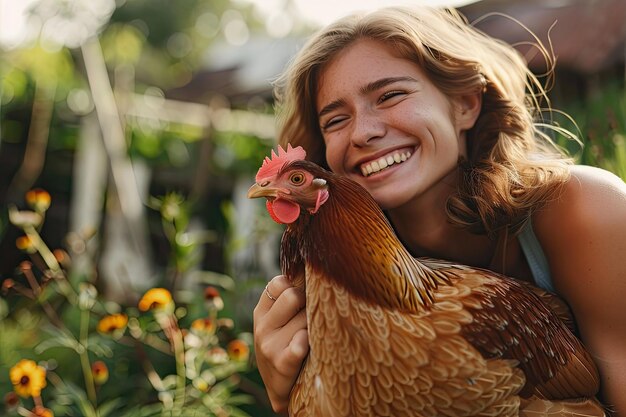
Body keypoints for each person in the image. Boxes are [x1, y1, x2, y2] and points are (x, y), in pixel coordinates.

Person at [252, 5, 626, 416]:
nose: (363, 131)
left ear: (465, 104)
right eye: (336, 119)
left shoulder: (584, 210)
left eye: (390, 95)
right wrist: (294, 394)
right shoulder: (330, 291)